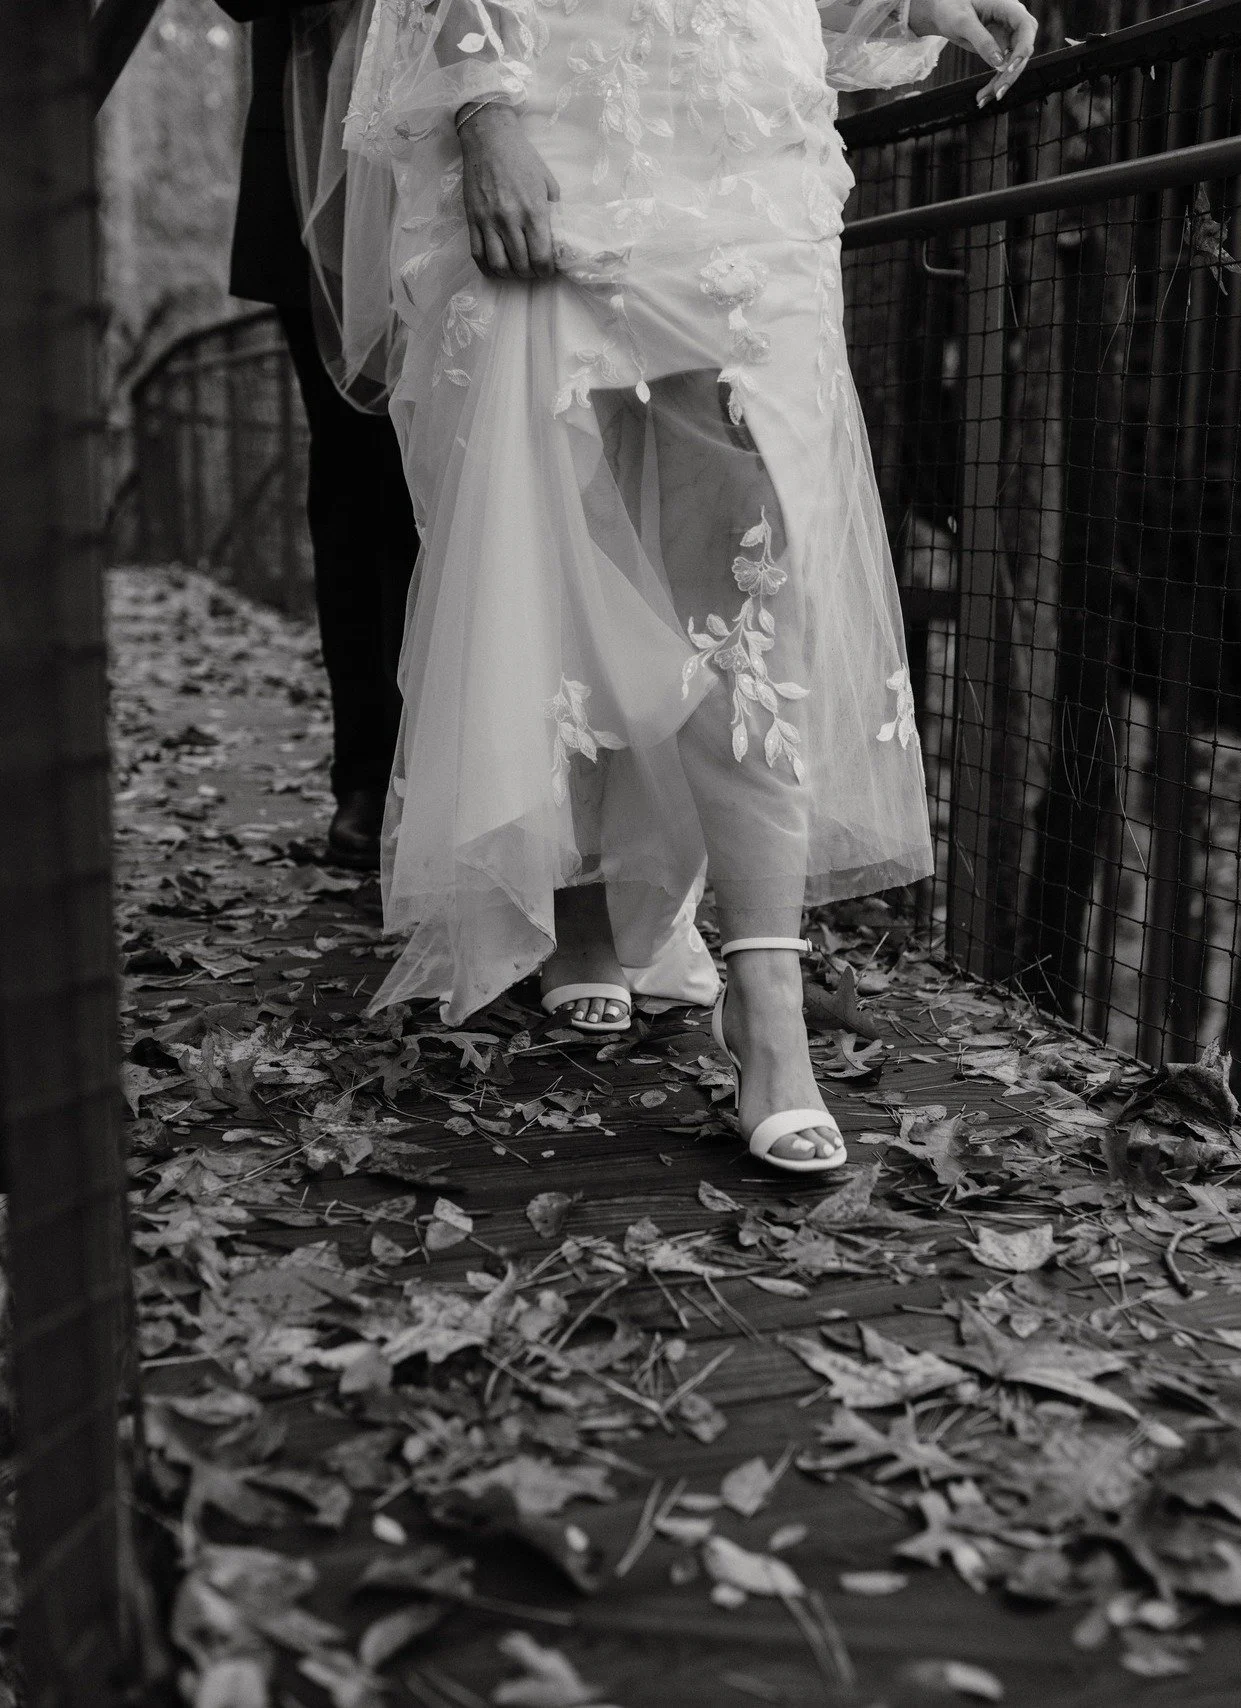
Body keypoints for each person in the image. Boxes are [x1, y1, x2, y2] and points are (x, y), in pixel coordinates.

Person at [300, 0, 1036, 1171]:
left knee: (754, 560)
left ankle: (766, 1000)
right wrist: (482, 106)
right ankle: (583, 898)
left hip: (738, 119)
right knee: (561, 531)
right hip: (561, 92)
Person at [218, 0, 419, 870]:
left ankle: (473, 775)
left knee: (476, 482)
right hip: (316, 174)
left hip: (489, 140)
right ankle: (370, 775)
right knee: (357, 484)